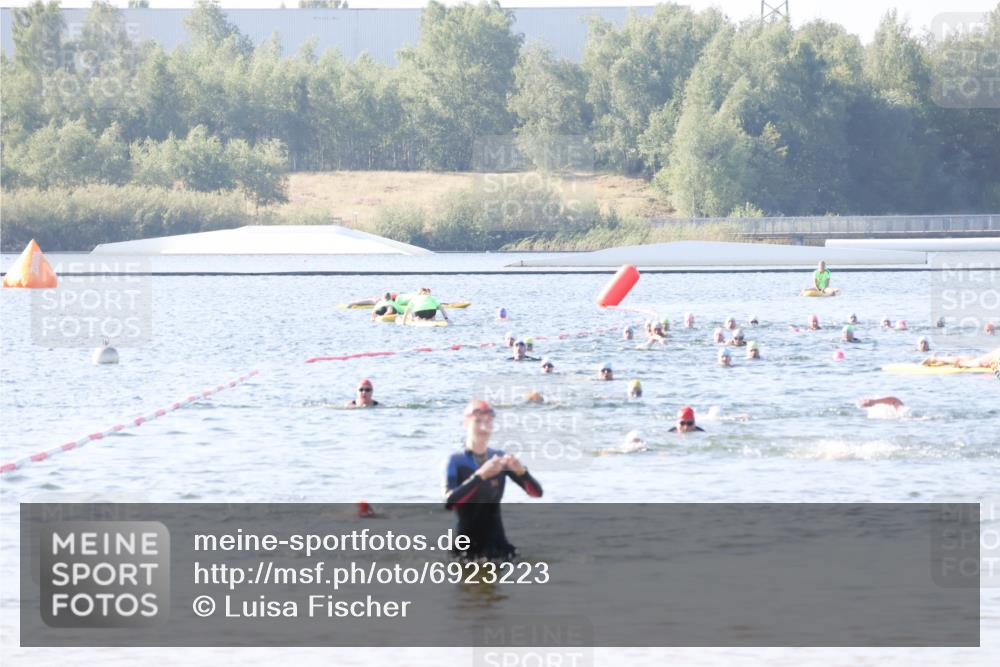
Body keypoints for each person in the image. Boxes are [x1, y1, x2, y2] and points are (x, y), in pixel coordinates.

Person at [443, 400, 543, 560]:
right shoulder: (456, 461)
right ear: (466, 422)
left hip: (497, 546)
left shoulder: (500, 459)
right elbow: (450, 503)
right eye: (478, 420)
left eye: (488, 421)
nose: (484, 425)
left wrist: (522, 472)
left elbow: (537, 493)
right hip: (464, 550)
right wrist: (480, 476)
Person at [921, 347, 1000, 369]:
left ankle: (947, 359)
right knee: (962, 363)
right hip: (992, 359)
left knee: (973, 359)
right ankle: (935, 359)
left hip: (994, 357)